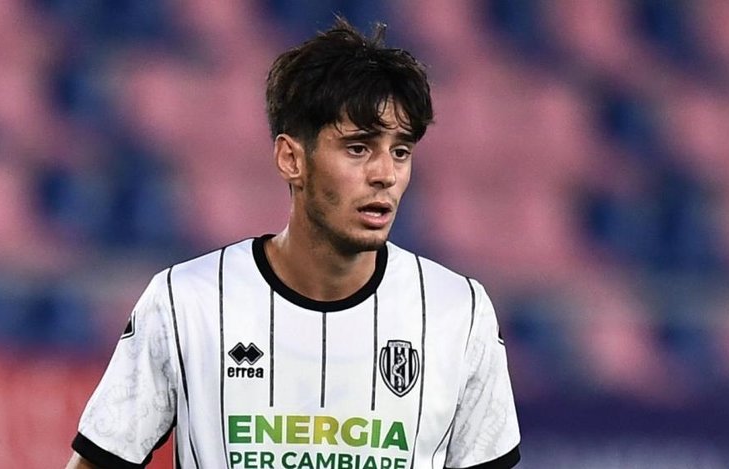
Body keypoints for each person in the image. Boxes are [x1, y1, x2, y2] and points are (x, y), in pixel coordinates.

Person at [66, 17, 521, 469]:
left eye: (400, 151)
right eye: (358, 148)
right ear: (291, 158)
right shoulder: (185, 302)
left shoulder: (458, 313)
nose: (385, 174)